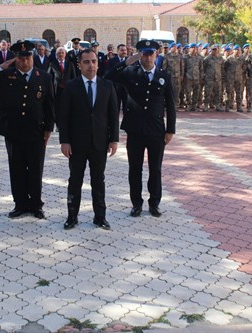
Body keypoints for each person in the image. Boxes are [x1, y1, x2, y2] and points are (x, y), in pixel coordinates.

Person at [105, 40, 176, 218]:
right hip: (135, 130)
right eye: (144, 53)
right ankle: (136, 203)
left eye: (151, 53)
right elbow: (108, 76)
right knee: (135, 169)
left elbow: (171, 105)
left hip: (156, 130)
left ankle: (154, 203)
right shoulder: (131, 72)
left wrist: (170, 130)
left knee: (155, 169)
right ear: (139, 55)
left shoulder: (164, 76)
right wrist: (129, 60)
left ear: (157, 54)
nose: (148, 57)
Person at [0, 40, 55, 219]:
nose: (24, 62)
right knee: (16, 168)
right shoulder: (6, 75)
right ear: (15, 59)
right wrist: (2, 67)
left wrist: (49, 128)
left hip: (36, 130)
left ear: (32, 57)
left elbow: (49, 105)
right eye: (20, 58)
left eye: (27, 58)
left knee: (36, 168)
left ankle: (35, 204)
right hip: (13, 130)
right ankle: (20, 204)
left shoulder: (44, 76)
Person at [58, 49, 119, 230]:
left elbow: (113, 114)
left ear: (98, 64)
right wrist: (65, 141)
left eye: (93, 61)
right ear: (79, 65)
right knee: (75, 180)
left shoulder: (107, 86)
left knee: (98, 181)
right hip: (76, 144)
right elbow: (64, 116)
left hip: (100, 143)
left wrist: (113, 139)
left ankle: (100, 217)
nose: (90, 65)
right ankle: (72, 216)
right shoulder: (70, 86)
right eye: (86, 62)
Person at [47, 46, 76, 123]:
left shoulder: (70, 64)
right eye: (59, 53)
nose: (61, 54)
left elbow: (74, 77)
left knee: (67, 106)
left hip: (67, 89)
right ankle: (58, 123)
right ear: (56, 55)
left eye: (62, 53)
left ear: (65, 54)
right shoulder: (52, 64)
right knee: (57, 107)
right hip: (57, 89)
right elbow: (49, 78)